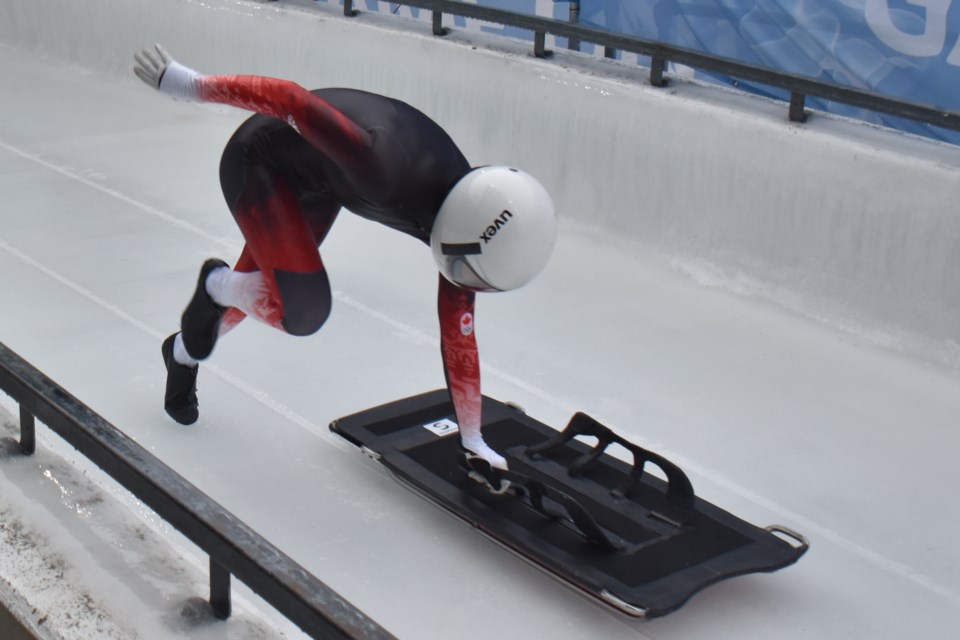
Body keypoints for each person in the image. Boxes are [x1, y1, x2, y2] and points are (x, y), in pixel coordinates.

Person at [133, 45, 556, 470]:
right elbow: (289, 98)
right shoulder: (384, 167)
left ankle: (183, 352)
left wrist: (473, 441)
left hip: (319, 180)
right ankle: (216, 284)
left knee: (260, 293)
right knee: (300, 309)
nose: (465, 284)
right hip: (258, 162)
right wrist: (188, 84)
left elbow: (458, 339)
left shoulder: (471, 215)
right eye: (469, 273)